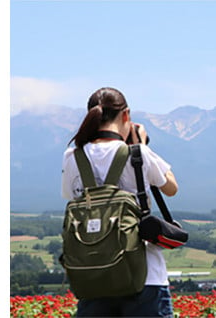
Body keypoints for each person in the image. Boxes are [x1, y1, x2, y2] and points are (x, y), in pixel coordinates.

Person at [61, 87, 178, 317]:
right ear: (126, 115)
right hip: (145, 277)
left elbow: (70, 195)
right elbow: (171, 187)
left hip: (93, 278)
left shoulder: (73, 157)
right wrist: (142, 146)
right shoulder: (138, 154)